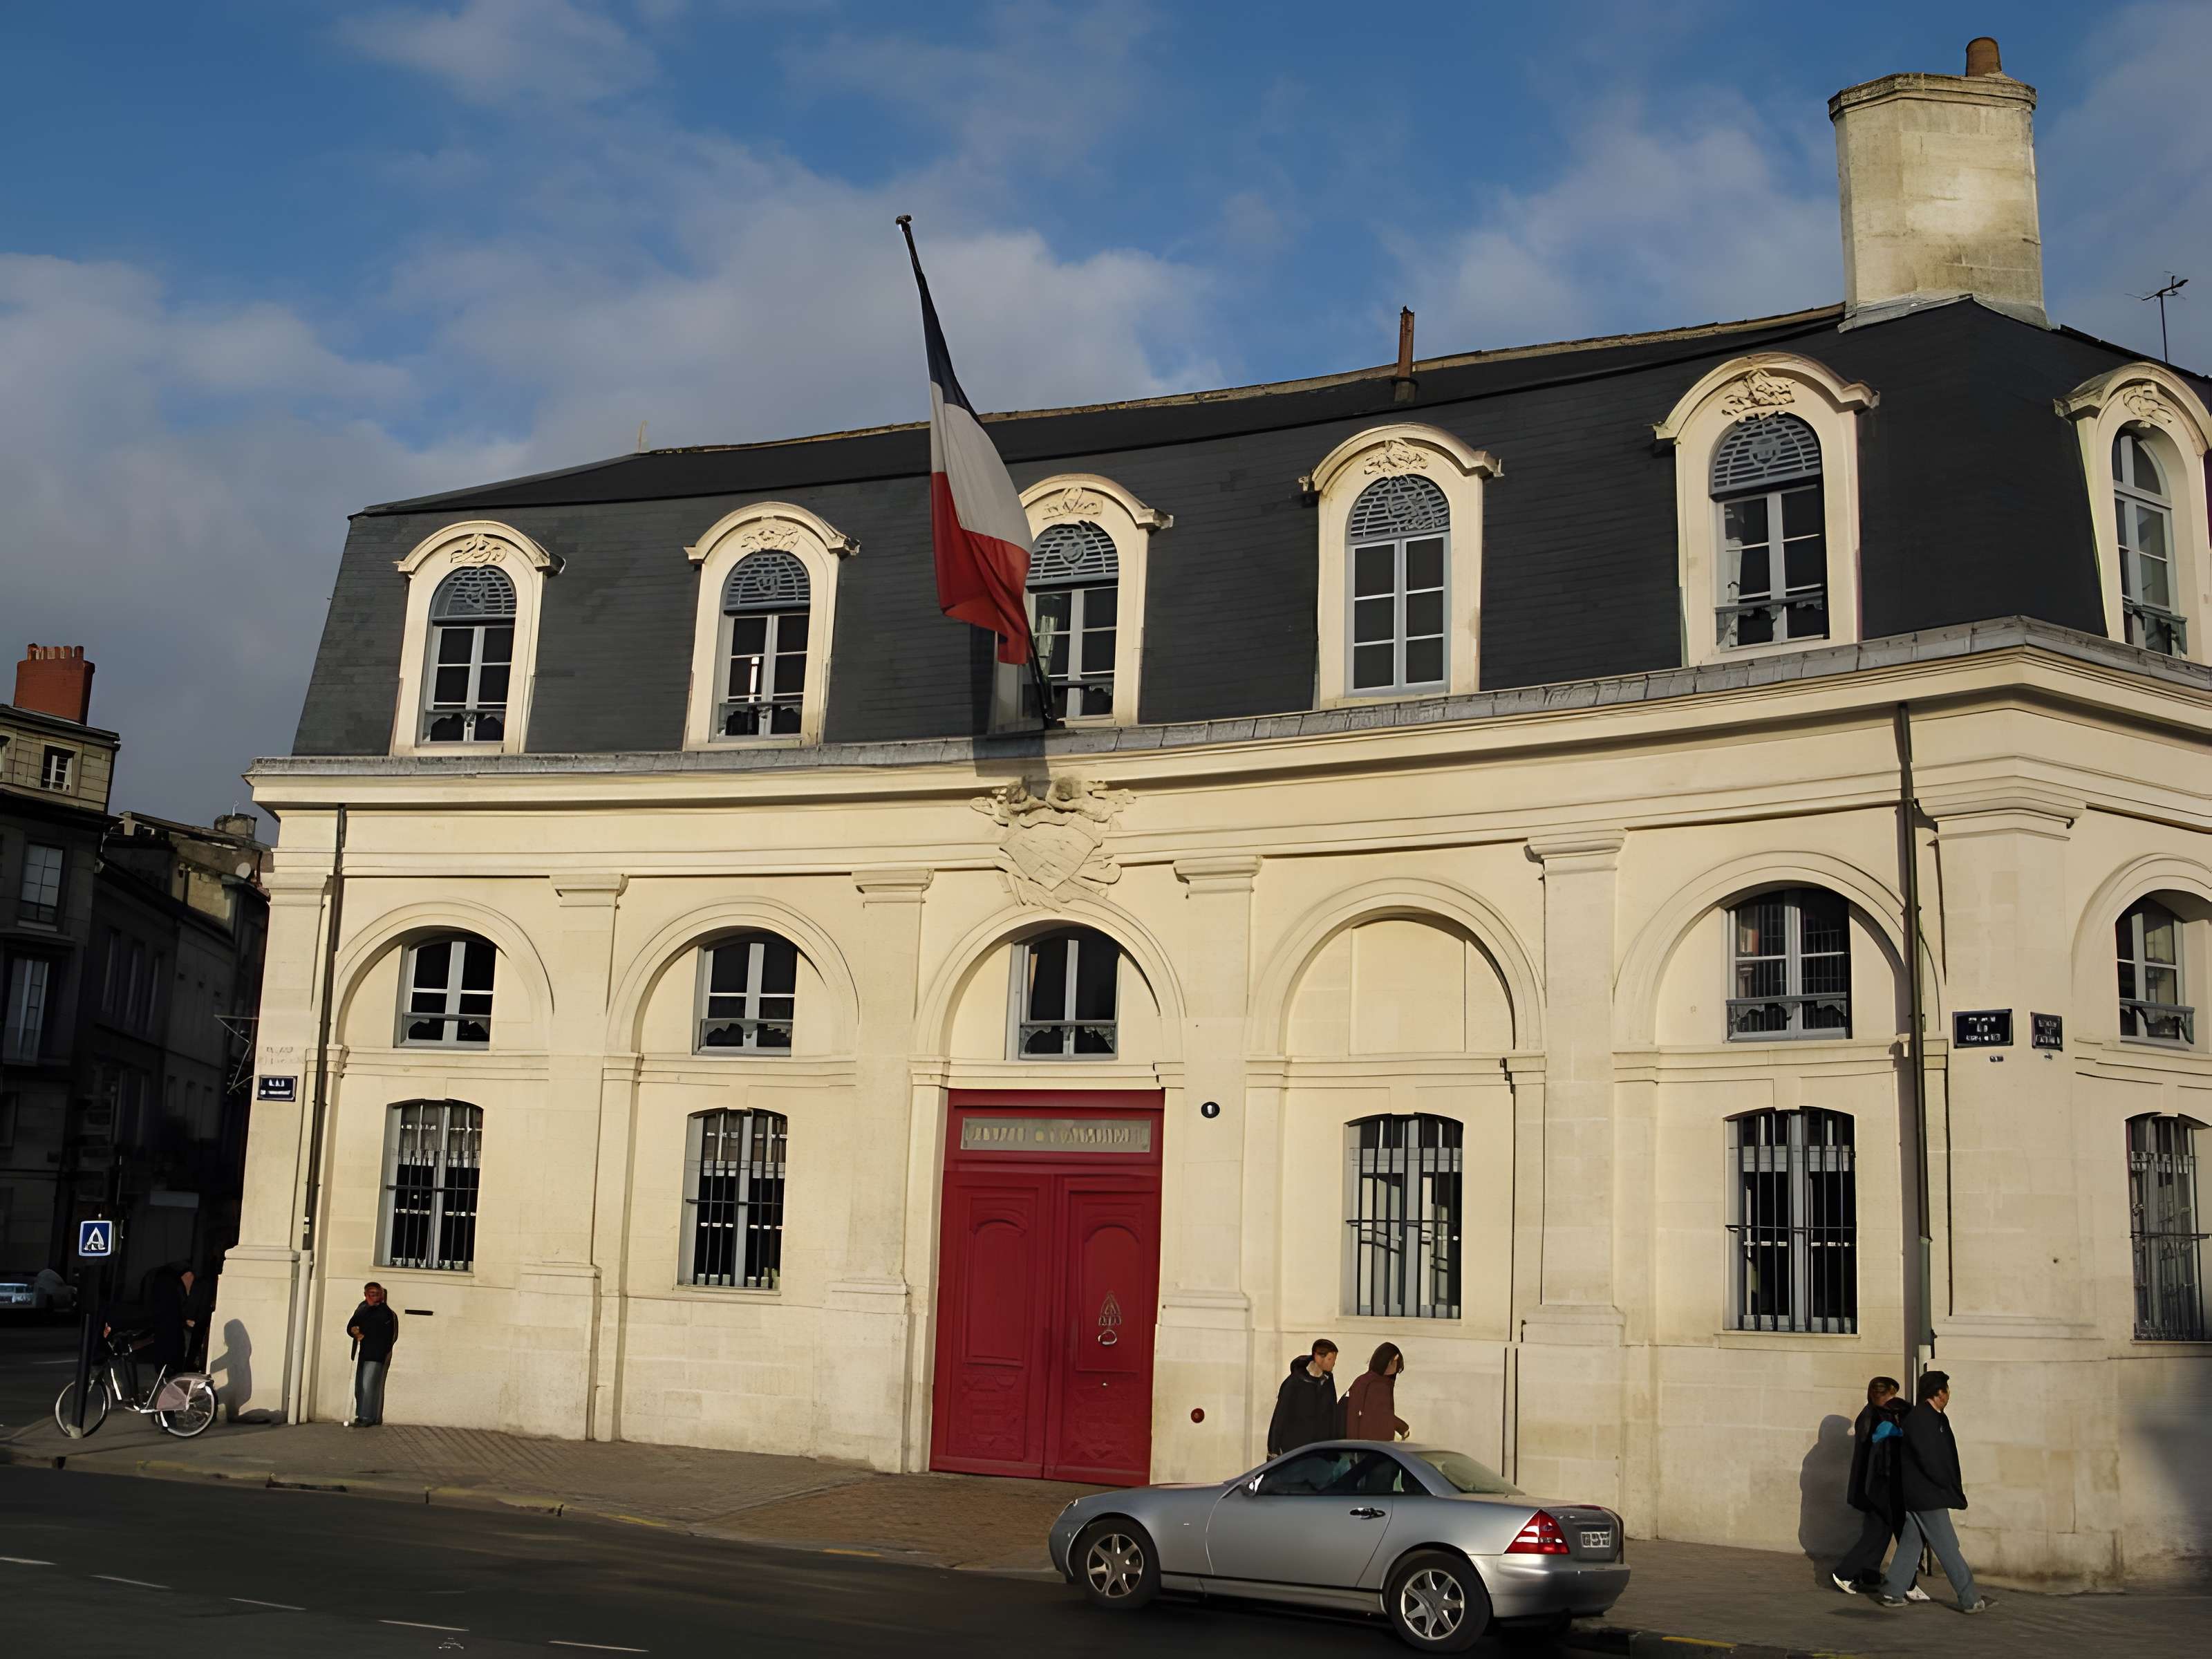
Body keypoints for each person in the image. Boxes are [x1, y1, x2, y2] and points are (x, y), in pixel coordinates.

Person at [1876, 1371, 1996, 1613]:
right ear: (1939, 1393)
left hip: (1921, 1493)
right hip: (1927, 1494)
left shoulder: (1933, 1417)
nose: (1949, 1394)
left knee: (1911, 1542)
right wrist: (1944, 1484)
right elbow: (1929, 1458)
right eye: (1947, 1390)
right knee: (1948, 1546)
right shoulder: (1922, 1419)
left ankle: (1892, 1590)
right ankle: (1969, 1598)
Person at [1830, 1376, 1928, 1598]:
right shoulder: (1883, 1419)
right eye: (1893, 1394)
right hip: (1885, 1486)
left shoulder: (1868, 1415)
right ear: (1887, 1394)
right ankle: (1907, 1584)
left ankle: (1865, 1574)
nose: (1895, 1399)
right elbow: (1885, 1458)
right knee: (1906, 1535)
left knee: (1878, 1532)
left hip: (1873, 1486)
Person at [1266, 1339, 1339, 1455]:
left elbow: (1333, 1413)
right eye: (1331, 1359)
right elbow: (1280, 1416)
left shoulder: (1328, 1381)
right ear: (1318, 1357)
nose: (1334, 1363)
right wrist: (1273, 1450)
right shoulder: (1294, 1382)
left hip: (1320, 1451)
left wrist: (1334, 1448)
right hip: (1295, 1449)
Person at [346, 1282, 399, 1427]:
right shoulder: (362, 1309)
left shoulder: (385, 1312)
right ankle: (362, 1414)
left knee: (368, 1386)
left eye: (376, 1294)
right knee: (360, 1387)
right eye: (371, 1294)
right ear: (365, 1295)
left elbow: (385, 1335)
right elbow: (352, 1325)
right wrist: (354, 1331)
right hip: (361, 1354)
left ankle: (368, 1416)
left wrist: (365, 1335)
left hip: (375, 1354)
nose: (374, 1297)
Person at [1342, 1342, 1409, 1441]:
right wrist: (1403, 1428)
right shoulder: (1380, 1385)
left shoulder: (1363, 1380)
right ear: (1391, 1362)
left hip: (1355, 1444)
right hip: (1372, 1448)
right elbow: (1382, 1416)